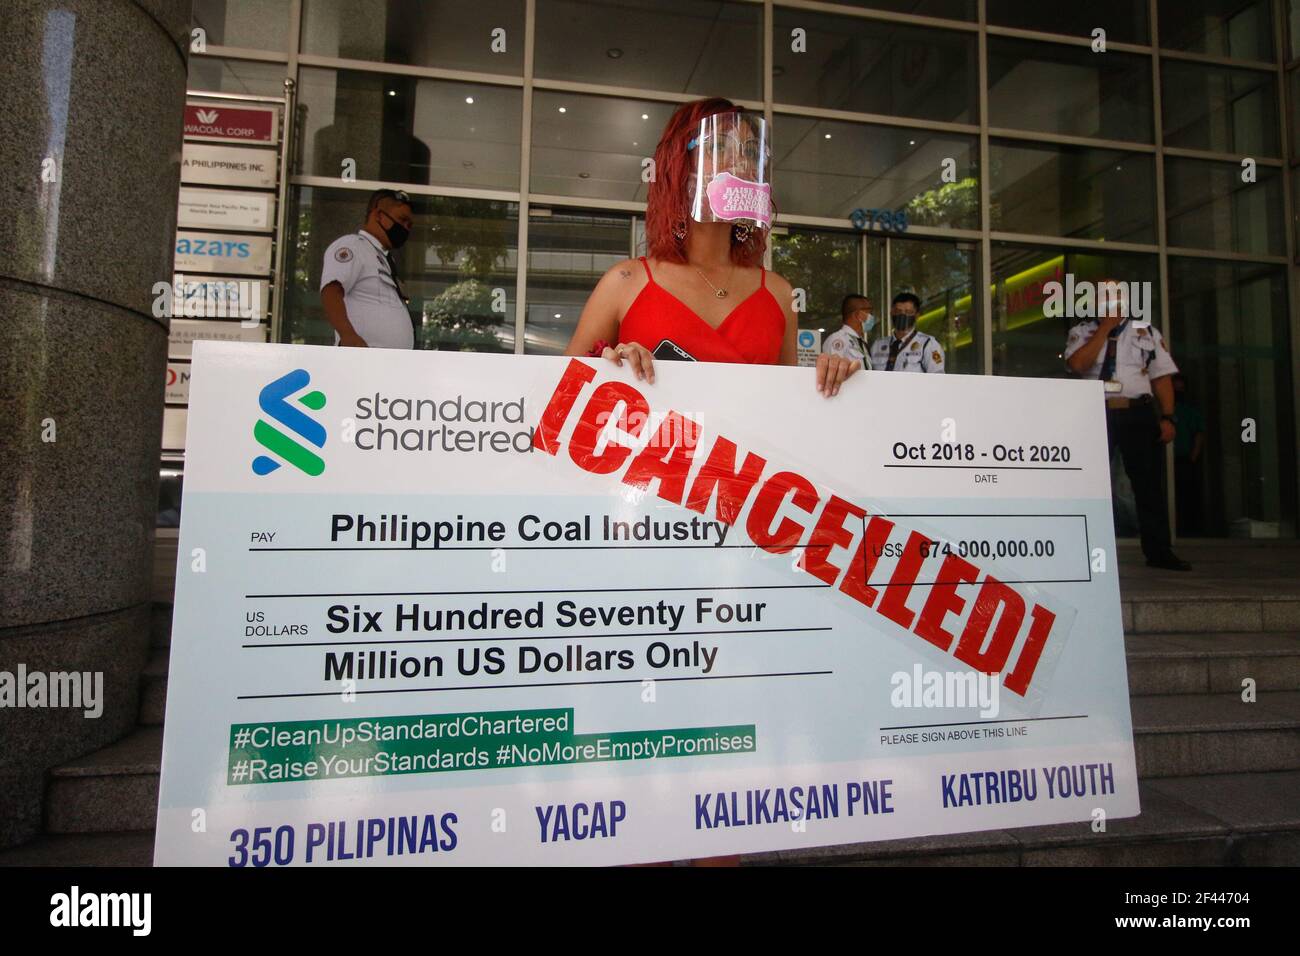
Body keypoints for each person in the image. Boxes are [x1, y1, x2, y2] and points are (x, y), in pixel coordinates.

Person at [562, 98, 860, 399]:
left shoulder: (780, 294)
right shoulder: (625, 281)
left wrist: (831, 381)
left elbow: (789, 409)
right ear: (677, 165)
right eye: (718, 147)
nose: (740, 163)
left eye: (751, 151)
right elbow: (562, 397)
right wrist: (613, 366)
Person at [1064, 281, 1191, 571]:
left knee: (1147, 485)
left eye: (1114, 296)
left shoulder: (1145, 330)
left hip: (1138, 412)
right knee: (1088, 485)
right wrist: (1105, 330)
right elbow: (1078, 366)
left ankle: (1159, 551)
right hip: (1096, 413)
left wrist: (1168, 416)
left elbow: (1161, 377)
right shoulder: (1082, 331)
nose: (1108, 301)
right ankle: (1084, 551)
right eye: (1102, 297)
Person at [320, 188, 416, 349]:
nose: (405, 227)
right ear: (378, 215)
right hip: (361, 360)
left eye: (409, 224)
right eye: (402, 219)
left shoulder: (385, 258)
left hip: (385, 364)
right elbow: (331, 290)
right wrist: (348, 335)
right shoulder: (353, 246)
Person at [869, 292, 945, 373]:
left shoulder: (928, 344)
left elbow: (937, 378)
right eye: (898, 311)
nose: (902, 315)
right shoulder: (878, 345)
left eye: (908, 312)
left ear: (916, 315)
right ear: (891, 313)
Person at [1172, 373, 1206, 536]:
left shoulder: (1188, 411)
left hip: (1184, 460)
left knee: (1186, 497)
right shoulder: (1164, 408)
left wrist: (1193, 456)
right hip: (1167, 462)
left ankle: (1188, 530)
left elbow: (1199, 432)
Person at [823, 294, 875, 370]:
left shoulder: (862, 343)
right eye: (869, 312)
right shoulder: (838, 339)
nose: (872, 316)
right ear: (858, 315)